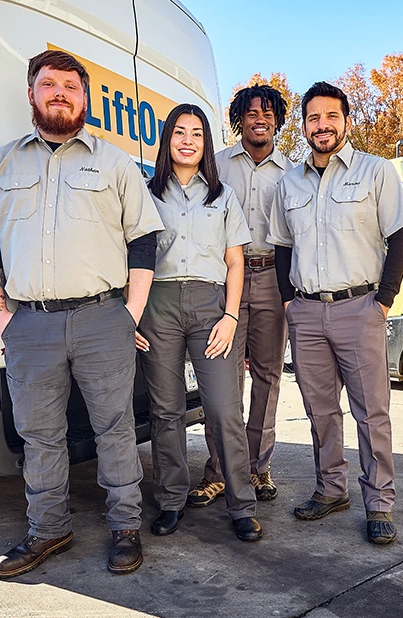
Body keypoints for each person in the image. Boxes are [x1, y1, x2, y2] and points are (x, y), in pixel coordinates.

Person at [0, 50, 164, 578]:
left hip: (103, 319)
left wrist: (131, 314)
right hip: (28, 323)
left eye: (70, 86)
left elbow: (144, 240)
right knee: (40, 434)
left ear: (85, 97)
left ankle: (125, 527)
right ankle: (48, 529)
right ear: (31, 94)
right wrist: (2, 317)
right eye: (48, 84)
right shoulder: (2, 163)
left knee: (115, 428)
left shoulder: (115, 162)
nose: (59, 93)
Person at [267, 81, 403, 545]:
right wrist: (290, 302)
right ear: (305, 126)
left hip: (360, 308)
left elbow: (401, 236)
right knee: (320, 411)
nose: (322, 125)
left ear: (346, 121)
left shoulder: (375, 173)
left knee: (372, 412)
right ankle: (331, 489)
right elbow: (281, 248)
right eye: (313, 118)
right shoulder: (288, 182)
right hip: (307, 314)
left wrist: (383, 300)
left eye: (331, 116)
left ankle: (379, 502)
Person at [138, 103, 262, 542]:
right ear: (167, 139)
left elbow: (235, 261)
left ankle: (242, 504)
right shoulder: (146, 193)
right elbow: (130, 257)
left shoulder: (222, 196)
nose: (187, 140)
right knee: (165, 409)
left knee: (224, 408)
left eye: (196, 133)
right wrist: (132, 312)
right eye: (179, 132)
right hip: (159, 305)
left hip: (211, 306)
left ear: (206, 143)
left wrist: (230, 315)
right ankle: (170, 501)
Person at [191, 85, 294, 507]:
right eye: (252, 112)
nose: (260, 119)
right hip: (226, 282)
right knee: (224, 383)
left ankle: (258, 468)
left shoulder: (293, 173)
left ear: (278, 121)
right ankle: (218, 472)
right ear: (240, 118)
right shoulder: (214, 166)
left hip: (273, 279)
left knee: (267, 379)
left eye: (268, 113)